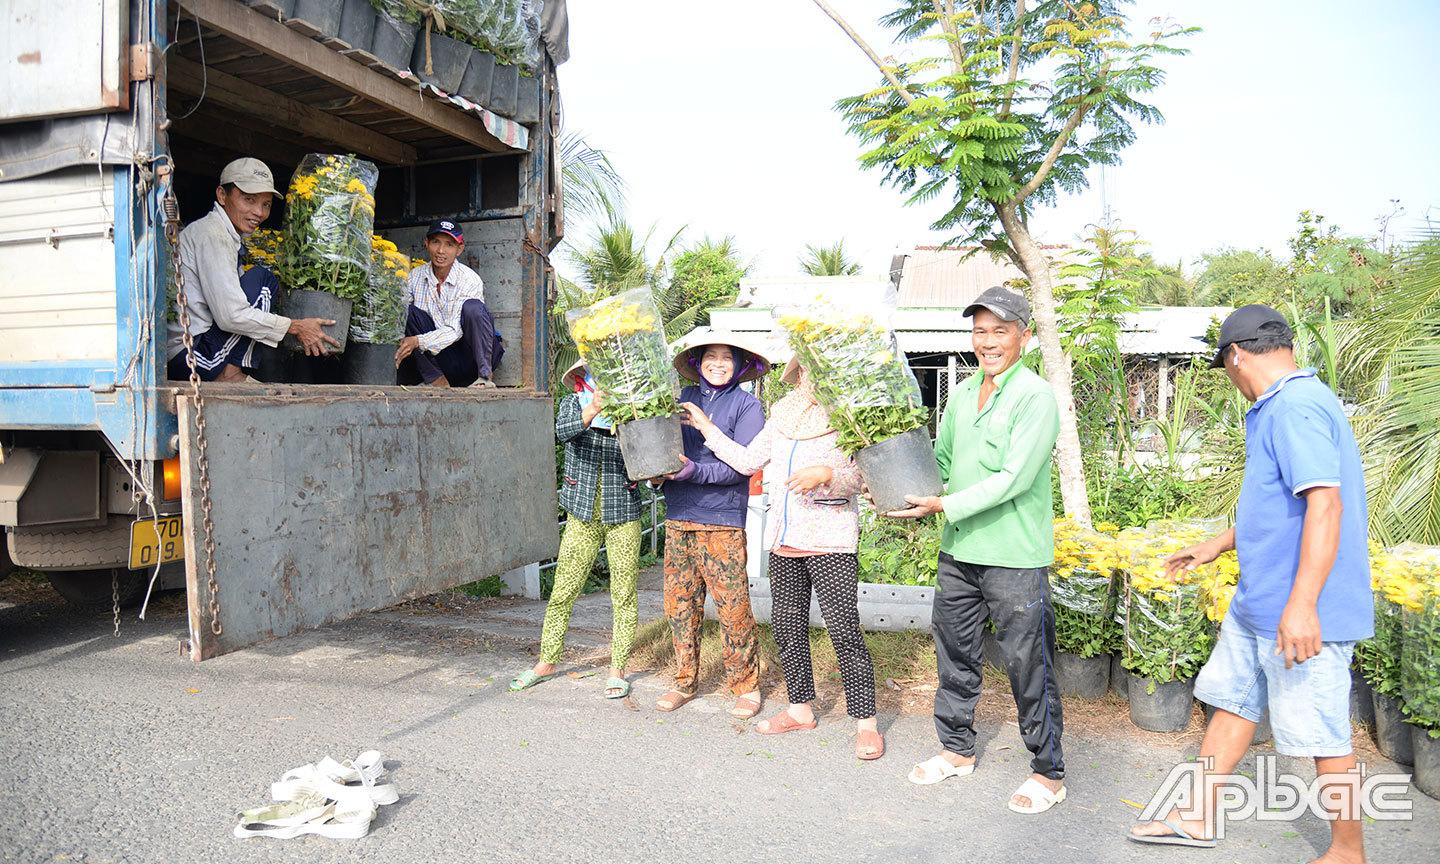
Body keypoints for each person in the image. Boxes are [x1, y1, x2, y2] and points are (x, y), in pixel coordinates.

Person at [1129, 305, 1372, 862]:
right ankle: (1197, 816)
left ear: (1235, 355)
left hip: (1300, 610)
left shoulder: (1295, 408)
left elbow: (1326, 507)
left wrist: (1304, 605)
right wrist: (1220, 542)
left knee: (1321, 733)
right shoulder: (1280, 406)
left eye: (1226, 366)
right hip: (1260, 603)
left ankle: (1347, 851)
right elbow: (1281, 505)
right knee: (1234, 703)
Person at [888, 286, 1066, 814]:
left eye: (1000, 331)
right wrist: (911, 489)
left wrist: (943, 505)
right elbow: (942, 460)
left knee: (1027, 663)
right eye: (980, 331)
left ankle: (1049, 771)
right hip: (959, 549)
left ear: (1024, 337)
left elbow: (1015, 479)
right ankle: (956, 749)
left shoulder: (1035, 397)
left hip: (1014, 554)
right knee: (955, 655)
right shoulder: (965, 394)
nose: (987, 341)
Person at [680, 358, 884, 761]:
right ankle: (800, 709)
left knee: (844, 631)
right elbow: (746, 460)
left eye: (821, 370)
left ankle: (867, 723)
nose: (813, 377)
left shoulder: (850, 416)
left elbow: (866, 478)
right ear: (799, 375)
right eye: (807, 370)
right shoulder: (783, 414)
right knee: (788, 630)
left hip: (831, 540)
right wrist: (706, 428)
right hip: (783, 540)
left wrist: (827, 473)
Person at [652, 334, 768, 719]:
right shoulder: (680, 397)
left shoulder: (747, 407)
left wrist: (694, 469)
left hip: (721, 522)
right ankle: (684, 680)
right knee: (679, 607)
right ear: (698, 362)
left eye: (727, 358)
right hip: (678, 517)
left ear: (739, 366)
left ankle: (745, 685)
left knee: (733, 607)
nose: (718, 364)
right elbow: (661, 447)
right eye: (711, 357)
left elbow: (741, 466)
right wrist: (655, 472)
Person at [510, 361, 640, 699]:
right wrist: (595, 406)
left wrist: (625, 416)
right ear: (585, 376)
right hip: (582, 515)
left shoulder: (635, 407)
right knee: (563, 590)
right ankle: (547, 661)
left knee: (624, 594)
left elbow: (647, 457)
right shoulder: (573, 401)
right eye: (597, 372)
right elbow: (562, 431)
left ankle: (618, 668)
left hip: (622, 511)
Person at [166, 157, 339, 381]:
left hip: (192, 353)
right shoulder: (212, 235)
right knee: (263, 281)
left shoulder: (219, 234)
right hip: (192, 356)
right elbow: (231, 316)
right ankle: (232, 373)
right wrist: (295, 326)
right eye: (249, 200)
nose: (259, 212)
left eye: (266, 204)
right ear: (222, 195)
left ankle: (230, 372)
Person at [395, 219, 503, 388]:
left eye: (449, 245)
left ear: (459, 249)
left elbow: (455, 330)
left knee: (473, 308)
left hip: (469, 358)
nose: (441, 251)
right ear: (426, 243)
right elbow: (399, 321)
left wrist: (417, 341)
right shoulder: (414, 277)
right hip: (440, 361)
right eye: (435, 242)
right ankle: (436, 380)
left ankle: (484, 377)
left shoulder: (469, 279)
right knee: (405, 311)